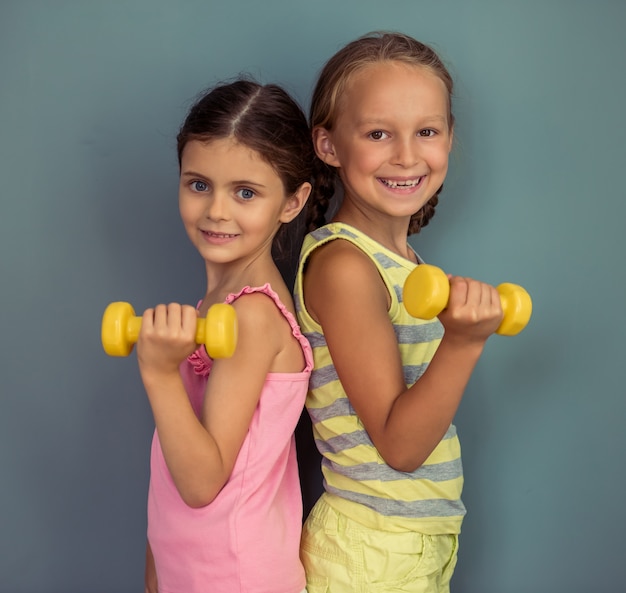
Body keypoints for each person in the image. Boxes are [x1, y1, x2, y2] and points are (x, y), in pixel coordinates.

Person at [293, 32, 504, 592]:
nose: (407, 155)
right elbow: (400, 446)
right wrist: (464, 342)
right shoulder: (344, 266)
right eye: (378, 133)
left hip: (408, 540)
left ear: (451, 138)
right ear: (330, 145)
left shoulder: (399, 263)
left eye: (427, 131)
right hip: (374, 548)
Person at [138, 79, 314, 593]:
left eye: (245, 192)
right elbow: (174, 469)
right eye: (198, 184)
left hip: (235, 576)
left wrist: (157, 371)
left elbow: (201, 483)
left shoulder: (253, 316)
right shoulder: (217, 308)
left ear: (292, 201)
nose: (216, 210)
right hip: (193, 570)